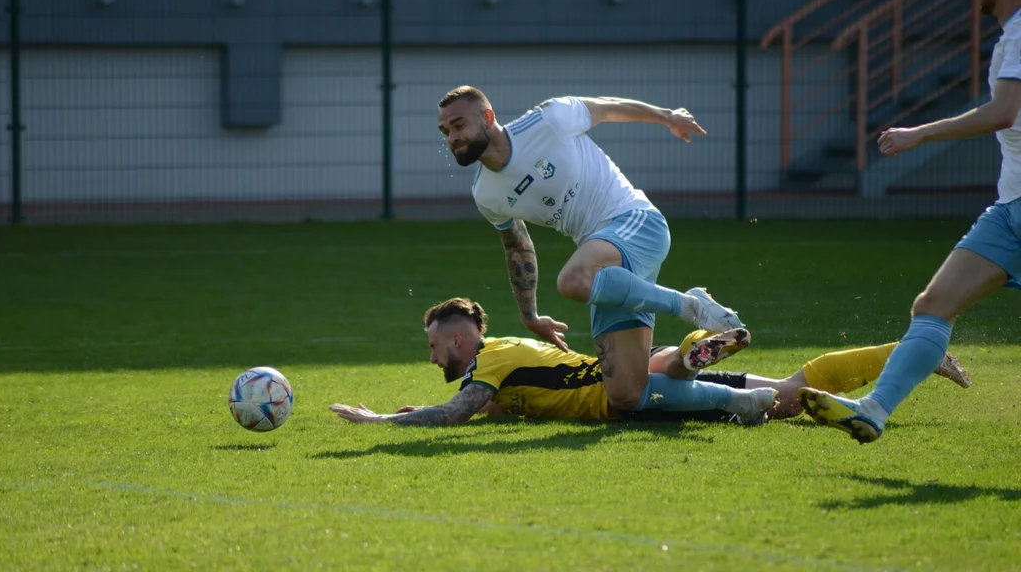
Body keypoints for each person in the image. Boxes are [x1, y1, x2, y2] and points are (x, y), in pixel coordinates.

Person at [799, 0, 1021, 443]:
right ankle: (874, 410)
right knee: (931, 306)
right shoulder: (1011, 34)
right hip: (1009, 209)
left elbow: (1004, 112)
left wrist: (920, 133)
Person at [435, 86, 744, 423]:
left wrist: (668, 117)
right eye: (446, 131)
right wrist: (530, 315)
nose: (452, 137)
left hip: (635, 221)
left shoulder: (547, 119)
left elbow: (608, 108)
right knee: (626, 393)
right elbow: (517, 245)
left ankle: (691, 306)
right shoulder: (485, 193)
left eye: (459, 125)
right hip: (609, 269)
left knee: (573, 280)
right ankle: (744, 400)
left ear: (488, 117)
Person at [328, 298, 971, 426]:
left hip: (622, 390)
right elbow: (481, 409)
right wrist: (429, 409)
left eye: (434, 345)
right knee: (793, 391)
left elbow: (464, 408)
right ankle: (904, 354)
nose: (430, 355)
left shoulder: (488, 361)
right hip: (632, 366)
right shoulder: (496, 366)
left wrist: (384, 422)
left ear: (459, 340)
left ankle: (692, 354)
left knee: (779, 402)